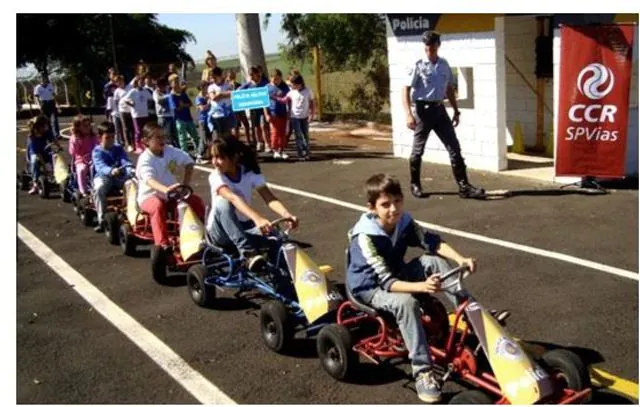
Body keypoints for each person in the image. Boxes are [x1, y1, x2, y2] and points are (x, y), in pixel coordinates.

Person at [346, 173, 478, 403]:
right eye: (385, 205)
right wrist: (422, 286)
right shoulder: (364, 237)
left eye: (397, 201)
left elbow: (432, 242)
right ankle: (423, 371)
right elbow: (386, 282)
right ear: (372, 207)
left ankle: (474, 316)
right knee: (407, 302)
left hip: (395, 275)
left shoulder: (403, 222)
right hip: (370, 287)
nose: (393, 209)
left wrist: (460, 258)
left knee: (432, 260)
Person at [403, 31, 484, 199]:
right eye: (427, 46)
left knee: (454, 148)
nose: (429, 48)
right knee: (418, 150)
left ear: (438, 45)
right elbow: (405, 90)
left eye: (432, 45)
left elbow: (448, 89)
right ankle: (415, 184)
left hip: (440, 110)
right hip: (423, 111)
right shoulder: (417, 65)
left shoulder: (444, 64)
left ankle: (464, 187)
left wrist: (455, 110)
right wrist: (408, 114)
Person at [206, 137, 299, 272]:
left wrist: (287, 214)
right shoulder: (215, 176)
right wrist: (257, 218)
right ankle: (248, 253)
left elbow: (269, 198)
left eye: (220, 157)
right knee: (223, 203)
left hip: (245, 228)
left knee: (276, 237)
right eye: (213, 157)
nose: (215, 162)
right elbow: (233, 198)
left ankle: (285, 281)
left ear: (235, 157)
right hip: (220, 233)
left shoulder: (249, 173)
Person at [136, 122, 206, 254]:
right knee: (157, 205)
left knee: (195, 201)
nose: (162, 140)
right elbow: (149, 180)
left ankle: (201, 236)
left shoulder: (170, 151)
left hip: (171, 195)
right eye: (158, 138)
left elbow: (189, 162)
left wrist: (186, 184)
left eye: (163, 137)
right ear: (145, 141)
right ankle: (162, 244)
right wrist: (166, 190)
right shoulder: (145, 159)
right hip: (150, 196)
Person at [91, 121, 134, 233]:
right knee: (99, 189)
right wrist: (111, 170)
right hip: (104, 177)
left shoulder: (118, 148)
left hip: (119, 177)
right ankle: (101, 219)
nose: (110, 140)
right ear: (100, 137)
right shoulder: (97, 151)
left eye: (112, 137)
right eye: (107, 137)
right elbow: (100, 166)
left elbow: (125, 160)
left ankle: (132, 212)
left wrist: (130, 169)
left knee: (132, 183)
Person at [272, 74, 314, 160]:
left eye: (294, 85)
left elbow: (312, 103)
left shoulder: (308, 91)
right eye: (292, 85)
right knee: (298, 135)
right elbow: (284, 100)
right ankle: (300, 153)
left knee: (305, 135)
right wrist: (275, 98)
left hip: (305, 117)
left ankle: (307, 152)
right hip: (295, 117)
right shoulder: (292, 92)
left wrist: (311, 114)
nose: (292, 86)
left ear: (300, 83)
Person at [25, 115, 60, 195]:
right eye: (44, 125)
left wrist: (58, 146)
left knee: (54, 156)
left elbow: (53, 139)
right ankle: (35, 183)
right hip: (35, 153)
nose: (47, 126)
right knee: (35, 161)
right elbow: (37, 154)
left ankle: (54, 175)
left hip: (44, 150)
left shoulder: (46, 132)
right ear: (38, 127)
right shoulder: (32, 138)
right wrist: (45, 166)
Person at [239, 66, 271, 152]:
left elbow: (271, 90)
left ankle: (267, 143)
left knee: (263, 126)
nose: (251, 77)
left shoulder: (265, 83)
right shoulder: (249, 84)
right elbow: (238, 91)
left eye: (253, 74)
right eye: (250, 75)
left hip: (264, 109)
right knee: (256, 127)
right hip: (254, 109)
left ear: (257, 74)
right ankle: (260, 143)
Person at [68, 114, 98, 197]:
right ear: (78, 128)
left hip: (94, 158)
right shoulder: (75, 138)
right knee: (82, 169)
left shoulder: (93, 136)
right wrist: (75, 140)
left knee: (97, 167)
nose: (88, 127)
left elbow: (98, 146)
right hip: (81, 159)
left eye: (89, 125)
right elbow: (73, 152)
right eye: (85, 126)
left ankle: (99, 186)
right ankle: (83, 190)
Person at [263, 69, 290, 160]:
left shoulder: (285, 87)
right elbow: (264, 103)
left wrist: (289, 111)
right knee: (275, 133)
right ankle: (275, 150)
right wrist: (267, 114)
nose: (276, 81)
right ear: (270, 78)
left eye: (278, 79)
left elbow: (289, 100)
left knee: (282, 133)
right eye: (274, 79)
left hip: (283, 113)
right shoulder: (266, 88)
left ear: (281, 78)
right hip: (273, 114)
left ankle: (282, 150)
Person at [124, 76, 153, 153]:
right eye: (140, 81)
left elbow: (151, 99)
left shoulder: (145, 91)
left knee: (144, 131)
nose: (141, 83)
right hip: (136, 114)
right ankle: (137, 145)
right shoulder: (133, 91)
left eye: (142, 81)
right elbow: (125, 100)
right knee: (138, 131)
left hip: (145, 114)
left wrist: (148, 105)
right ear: (137, 83)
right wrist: (131, 104)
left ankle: (143, 144)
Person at [207, 67, 235, 140]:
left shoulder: (228, 85)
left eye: (215, 77)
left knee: (228, 134)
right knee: (220, 135)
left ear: (220, 76)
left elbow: (231, 94)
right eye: (212, 77)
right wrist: (223, 95)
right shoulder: (211, 87)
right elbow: (213, 98)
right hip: (217, 115)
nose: (213, 79)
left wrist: (220, 95)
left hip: (228, 114)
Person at [227, 70, 252, 145]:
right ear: (227, 78)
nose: (232, 78)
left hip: (241, 108)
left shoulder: (239, 85)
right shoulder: (226, 87)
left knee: (246, 124)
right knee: (236, 127)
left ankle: (249, 141)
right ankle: (236, 143)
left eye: (233, 76)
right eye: (230, 76)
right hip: (233, 109)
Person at [153, 78, 177, 147]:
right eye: (157, 86)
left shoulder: (167, 91)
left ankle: (175, 149)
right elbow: (158, 100)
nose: (158, 87)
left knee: (173, 135)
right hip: (162, 117)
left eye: (160, 86)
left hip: (171, 116)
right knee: (165, 135)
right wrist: (168, 96)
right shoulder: (155, 93)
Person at [195, 80, 212, 163]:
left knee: (209, 138)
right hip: (202, 120)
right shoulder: (198, 98)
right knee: (203, 139)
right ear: (202, 87)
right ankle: (199, 156)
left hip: (209, 120)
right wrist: (208, 104)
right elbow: (201, 108)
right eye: (206, 86)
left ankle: (208, 154)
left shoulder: (207, 96)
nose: (207, 88)